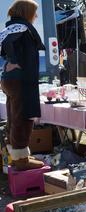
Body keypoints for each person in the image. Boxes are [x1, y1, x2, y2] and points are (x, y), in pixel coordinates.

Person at [0, 0, 45, 170]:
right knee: (22, 117)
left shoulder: (12, 27)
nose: (36, 16)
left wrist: (10, 61)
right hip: (20, 80)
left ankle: (19, 155)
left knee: (14, 116)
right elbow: (7, 44)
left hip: (11, 79)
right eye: (34, 12)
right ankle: (21, 161)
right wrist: (12, 60)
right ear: (26, 12)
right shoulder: (22, 28)